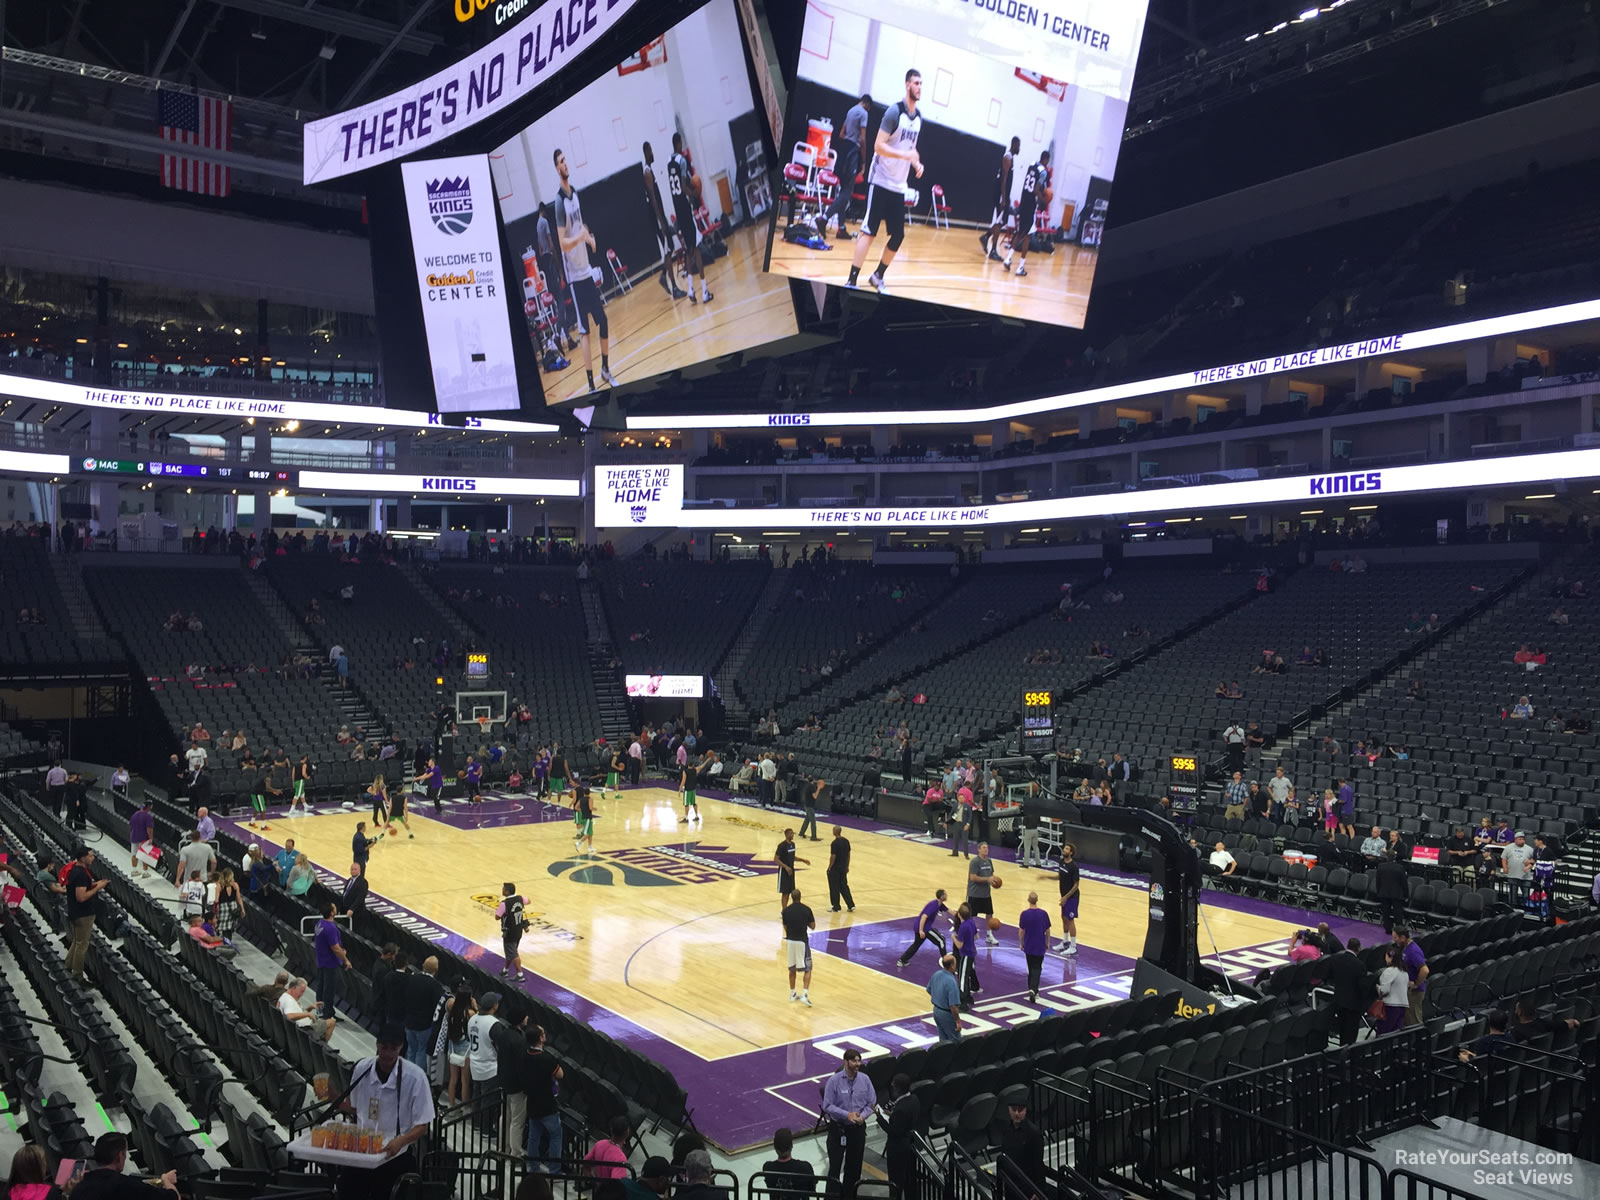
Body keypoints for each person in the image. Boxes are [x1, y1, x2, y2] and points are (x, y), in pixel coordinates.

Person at [847, 68, 923, 294]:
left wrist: (916, 163)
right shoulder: (894, 112)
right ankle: (852, 280)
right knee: (869, 232)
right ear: (907, 85)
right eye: (916, 83)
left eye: (921, 83)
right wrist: (905, 156)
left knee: (897, 236)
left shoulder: (918, 118)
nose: (919, 87)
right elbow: (878, 145)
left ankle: (878, 275)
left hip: (899, 186)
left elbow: (911, 149)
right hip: (881, 180)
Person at [336, 1026, 435, 1197]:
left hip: (395, 1156)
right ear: (377, 1045)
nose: (388, 1053)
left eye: (393, 1048)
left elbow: (422, 1125)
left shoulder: (415, 1077)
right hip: (363, 1151)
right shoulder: (362, 1069)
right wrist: (333, 1098)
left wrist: (401, 1141)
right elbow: (354, 1107)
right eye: (384, 1047)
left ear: (401, 1047)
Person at [553, 148, 616, 392]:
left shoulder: (575, 194)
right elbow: (562, 243)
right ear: (556, 169)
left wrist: (587, 237)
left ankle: (605, 369)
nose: (565, 164)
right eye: (561, 162)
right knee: (585, 331)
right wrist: (580, 238)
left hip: (586, 271)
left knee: (603, 320)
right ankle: (591, 385)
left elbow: (580, 227)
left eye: (565, 159)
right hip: (575, 278)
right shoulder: (558, 202)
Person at [821, 1048, 876, 1200]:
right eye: (854, 1061)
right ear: (846, 1062)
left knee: (854, 1167)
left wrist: (863, 1116)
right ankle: (831, 1197)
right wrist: (847, 1115)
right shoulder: (834, 1081)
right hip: (838, 1130)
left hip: (857, 1129)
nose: (857, 1064)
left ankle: (849, 1196)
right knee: (835, 1167)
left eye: (859, 1060)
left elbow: (871, 1102)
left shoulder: (865, 1079)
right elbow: (827, 1105)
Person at [666, 132, 713, 305]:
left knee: (689, 250)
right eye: (681, 143)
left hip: (678, 210)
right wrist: (694, 192)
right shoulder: (682, 161)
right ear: (678, 144)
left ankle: (692, 289)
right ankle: (704, 291)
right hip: (685, 209)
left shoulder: (669, 162)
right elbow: (685, 186)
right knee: (698, 247)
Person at [60, 1133, 177, 1200]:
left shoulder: (81, 1184)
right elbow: (173, 1198)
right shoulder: (126, 1185)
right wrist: (167, 1181)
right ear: (120, 1156)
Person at [822, 93, 871, 239]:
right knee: (847, 193)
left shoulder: (850, 111)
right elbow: (862, 139)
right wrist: (863, 161)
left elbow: (841, 134)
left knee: (843, 190)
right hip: (852, 153)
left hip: (843, 151)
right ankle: (824, 218)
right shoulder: (863, 113)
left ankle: (841, 228)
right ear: (868, 105)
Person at [522, 1022, 564, 1173]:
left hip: (532, 1103)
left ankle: (533, 1168)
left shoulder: (525, 1055)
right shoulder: (546, 1058)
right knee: (555, 1136)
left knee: (534, 1137)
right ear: (540, 1038)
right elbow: (560, 1074)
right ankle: (554, 1170)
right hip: (547, 1104)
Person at [65, 845, 108, 981]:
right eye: (90, 855)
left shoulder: (75, 870)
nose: (93, 858)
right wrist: (98, 888)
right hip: (83, 914)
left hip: (76, 912)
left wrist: (95, 884)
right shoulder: (81, 874)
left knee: (77, 942)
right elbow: (81, 897)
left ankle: (68, 965)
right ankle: (77, 975)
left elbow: (82, 888)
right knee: (82, 945)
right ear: (83, 858)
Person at [1007, 150, 1051, 277]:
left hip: (1023, 200)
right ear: (1046, 159)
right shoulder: (1043, 172)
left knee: (1022, 233)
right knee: (1026, 236)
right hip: (1031, 205)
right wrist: (1044, 199)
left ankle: (1008, 259)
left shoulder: (1032, 164)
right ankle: (1020, 267)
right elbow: (1036, 189)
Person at [1322, 937, 1371, 1046]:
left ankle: (1341, 1053)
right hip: (1353, 1005)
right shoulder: (1360, 965)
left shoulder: (1335, 960)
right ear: (1358, 948)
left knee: (1342, 1029)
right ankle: (1349, 1056)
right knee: (1351, 1033)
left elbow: (1328, 976)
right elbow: (1362, 986)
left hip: (1339, 1001)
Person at [992, 1087, 1045, 1183]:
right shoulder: (1007, 1129)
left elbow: (1038, 1164)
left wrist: (1037, 1189)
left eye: (1020, 1110)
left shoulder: (1034, 1133)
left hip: (1027, 1183)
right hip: (1010, 1180)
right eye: (1014, 1109)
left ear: (1025, 1111)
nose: (1016, 1113)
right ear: (1009, 1110)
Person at [980, 136, 1019, 261]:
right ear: (1013, 144)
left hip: (1004, 194)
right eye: (1018, 145)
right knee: (998, 222)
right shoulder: (1007, 158)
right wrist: (1003, 197)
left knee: (1002, 221)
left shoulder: (1010, 158)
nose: (1019, 148)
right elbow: (1004, 179)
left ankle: (986, 237)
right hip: (1000, 195)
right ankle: (993, 251)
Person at [403, 956, 445, 1073]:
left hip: (409, 1021)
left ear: (422, 965)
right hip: (424, 1025)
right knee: (421, 1052)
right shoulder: (435, 985)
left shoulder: (411, 979)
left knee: (411, 1050)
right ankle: (416, 1077)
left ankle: (407, 1074)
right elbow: (437, 1006)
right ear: (436, 970)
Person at [896, 889, 950, 967]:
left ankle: (902, 960)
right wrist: (921, 930)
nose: (947, 895)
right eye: (945, 894)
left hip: (919, 926)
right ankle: (946, 963)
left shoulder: (939, 904)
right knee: (941, 941)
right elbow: (924, 917)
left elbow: (949, 911)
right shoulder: (934, 906)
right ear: (941, 897)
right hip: (924, 928)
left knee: (916, 944)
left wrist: (960, 915)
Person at [760, 1126, 815, 1199]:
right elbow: (812, 1189)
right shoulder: (805, 1167)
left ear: (775, 1147)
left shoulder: (768, 1168)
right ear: (791, 1146)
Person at [782, 887, 816, 1006]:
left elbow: (785, 927)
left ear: (791, 897)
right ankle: (805, 995)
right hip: (802, 941)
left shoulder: (786, 911)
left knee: (792, 968)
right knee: (808, 968)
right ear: (800, 897)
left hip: (790, 942)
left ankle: (792, 993)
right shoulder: (806, 910)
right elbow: (813, 926)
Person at [444, 981, 475, 1108]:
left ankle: (451, 1105)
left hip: (452, 1046)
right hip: (465, 1049)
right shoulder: (470, 1013)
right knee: (465, 1081)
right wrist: (476, 1007)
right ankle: (465, 1108)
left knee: (453, 1080)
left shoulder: (452, 1009)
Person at [1018, 891, 1052, 1003]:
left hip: (1029, 945)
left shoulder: (1024, 914)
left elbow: (1021, 931)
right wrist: (1048, 942)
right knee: (1037, 968)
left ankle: (1031, 989)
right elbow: (1047, 930)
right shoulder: (1043, 914)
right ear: (1037, 900)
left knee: (1030, 968)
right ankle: (1033, 990)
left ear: (1028, 900)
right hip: (1039, 945)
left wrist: (1021, 943)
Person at [967, 842, 1001, 947]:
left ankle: (989, 935)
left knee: (989, 914)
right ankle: (970, 934)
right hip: (975, 893)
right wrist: (987, 879)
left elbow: (991, 875)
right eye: (984, 848)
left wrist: (995, 880)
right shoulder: (975, 862)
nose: (986, 849)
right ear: (979, 850)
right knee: (971, 916)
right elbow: (973, 877)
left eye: (987, 847)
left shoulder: (989, 861)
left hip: (986, 894)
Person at [1393, 925, 1428, 1026]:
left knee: (1414, 1021)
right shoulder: (1405, 947)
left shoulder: (1414, 951)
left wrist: (1416, 984)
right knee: (1407, 1019)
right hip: (1408, 991)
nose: (1394, 940)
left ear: (1403, 937)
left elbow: (1425, 970)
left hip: (1415, 992)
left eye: (1395, 937)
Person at [584, 1115, 633, 1181]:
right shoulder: (620, 1158)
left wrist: (595, 1181)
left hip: (599, 1187)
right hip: (606, 1190)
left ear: (611, 1129)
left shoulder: (600, 1143)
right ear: (627, 1133)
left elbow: (585, 1163)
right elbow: (616, 1183)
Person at [1375, 945, 1409, 1034]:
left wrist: (1377, 988)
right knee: (1396, 1033)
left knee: (1384, 1033)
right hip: (1402, 1006)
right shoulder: (1404, 972)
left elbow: (1384, 990)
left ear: (1390, 957)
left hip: (1390, 1007)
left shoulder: (1389, 971)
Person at [952, 902, 981, 1006]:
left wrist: (954, 938)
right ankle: (969, 998)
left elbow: (959, 945)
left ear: (959, 914)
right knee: (966, 975)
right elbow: (976, 936)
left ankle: (963, 1003)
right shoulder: (971, 922)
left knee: (962, 978)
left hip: (965, 954)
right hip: (972, 952)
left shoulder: (963, 927)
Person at [1374, 849, 1409, 934]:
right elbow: (1404, 883)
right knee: (1398, 914)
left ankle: (1388, 929)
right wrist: (1406, 895)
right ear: (1395, 857)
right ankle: (1399, 931)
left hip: (1384, 893)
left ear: (1386, 857)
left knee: (1386, 912)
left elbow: (1378, 881)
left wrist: (1379, 891)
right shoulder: (1399, 867)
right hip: (1397, 893)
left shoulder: (1381, 866)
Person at [1055, 843, 1080, 956]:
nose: (1064, 850)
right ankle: (1065, 942)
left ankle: (1073, 946)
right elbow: (1059, 876)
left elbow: (1076, 885)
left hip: (1072, 897)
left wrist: (1066, 897)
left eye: (1067, 849)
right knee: (1064, 918)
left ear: (1071, 853)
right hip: (1064, 896)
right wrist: (1046, 877)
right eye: (1064, 848)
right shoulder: (1061, 862)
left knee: (1070, 920)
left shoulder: (1074, 866)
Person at [499, 882, 527, 982]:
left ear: (507, 891)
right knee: (511, 951)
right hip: (519, 930)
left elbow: (497, 916)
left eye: (503, 889)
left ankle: (520, 974)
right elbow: (529, 901)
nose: (502, 890)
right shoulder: (520, 898)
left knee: (513, 954)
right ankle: (505, 970)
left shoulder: (504, 903)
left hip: (509, 932)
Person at [775, 829, 808, 910]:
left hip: (791, 870)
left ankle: (792, 909)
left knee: (791, 891)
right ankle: (784, 910)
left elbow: (792, 857)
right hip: (784, 871)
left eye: (793, 833)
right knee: (785, 892)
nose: (792, 835)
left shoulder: (793, 844)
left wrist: (802, 860)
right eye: (791, 833)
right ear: (786, 835)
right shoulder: (781, 846)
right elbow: (776, 859)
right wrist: (785, 867)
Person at [825, 824, 855, 912]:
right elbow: (848, 855)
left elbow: (833, 856)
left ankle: (836, 906)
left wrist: (829, 867)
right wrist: (847, 866)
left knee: (834, 887)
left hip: (835, 868)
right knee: (844, 886)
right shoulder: (846, 841)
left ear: (834, 832)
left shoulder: (834, 843)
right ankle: (850, 905)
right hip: (843, 867)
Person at [798, 776, 824, 842]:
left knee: (807, 820)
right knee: (813, 821)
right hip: (810, 806)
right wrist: (818, 788)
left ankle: (801, 833)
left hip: (806, 805)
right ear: (813, 780)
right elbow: (815, 796)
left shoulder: (807, 785)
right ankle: (813, 837)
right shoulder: (812, 787)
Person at [574, 785, 598, 854]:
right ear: (589, 793)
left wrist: (582, 810)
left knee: (590, 833)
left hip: (583, 817)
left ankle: (590, 847)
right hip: (588, 817)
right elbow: (590, 808)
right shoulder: (590, 799)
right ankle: (578, 843)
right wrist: (594, 808)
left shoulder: (581, 799)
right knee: (587, 833)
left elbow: (576, 807)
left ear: (584, 793)